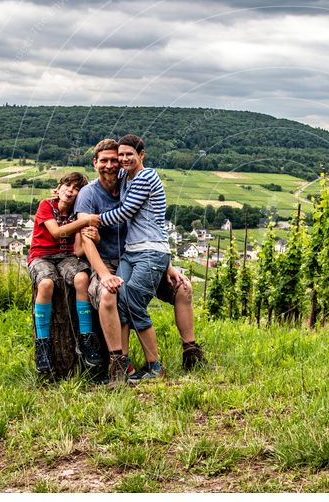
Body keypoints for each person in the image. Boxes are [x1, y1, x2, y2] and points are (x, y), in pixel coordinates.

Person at [75, 139, 206, 384]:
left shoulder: (145, 178)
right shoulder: (117, 181)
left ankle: (164, 363)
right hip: (131, 254)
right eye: (114, 157)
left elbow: (126, 214)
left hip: (149, 252)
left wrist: (92, 220)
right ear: (95, 163)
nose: (118, 162)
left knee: (150, 300)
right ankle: (124, 366)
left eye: (124, 156)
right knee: (120, 300)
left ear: (141, 154)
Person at [27, 172, 101, 375]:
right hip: (42, 256)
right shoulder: (46, 205)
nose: (70, 191)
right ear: (58, 189)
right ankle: (43, 343)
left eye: (76, 189)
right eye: (67, 185)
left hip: (67, 256)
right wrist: (87, 220)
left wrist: (93, 236)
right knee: (46, 284)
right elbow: (56, 232)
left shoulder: (78, 213)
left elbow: (77, 251)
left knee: (82, 278)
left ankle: (86, 337)